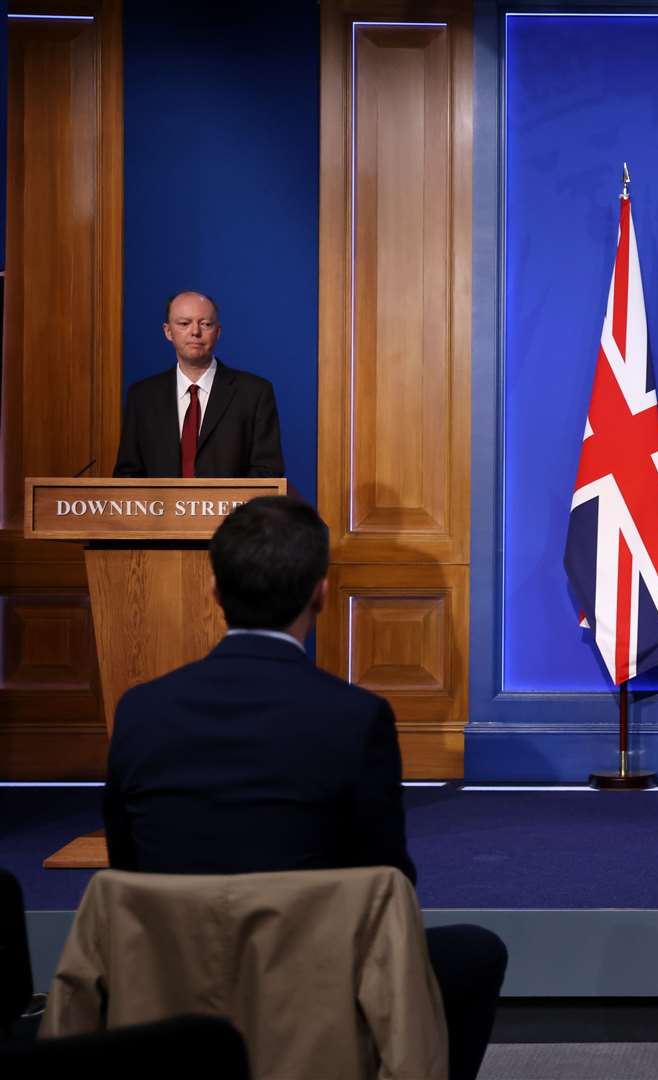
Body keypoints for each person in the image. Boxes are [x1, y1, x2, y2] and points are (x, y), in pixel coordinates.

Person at [103, 497, 505, 1080]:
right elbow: (386, 882)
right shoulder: (355, 716)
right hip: (310, 986)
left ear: (214, 590)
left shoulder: (140, 710)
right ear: (321, 592)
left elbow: (127, 868)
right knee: (474, 952)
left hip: (169, 983)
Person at [113, 291, 285, 478]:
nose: (195, 332)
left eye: (205, 324)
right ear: (168, 331)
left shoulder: (254, 393)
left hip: (233, 508)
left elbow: (268, 474)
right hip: (161, 507)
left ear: (218, 332)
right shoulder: (142, 396)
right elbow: (128, 476)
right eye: (184, 324)